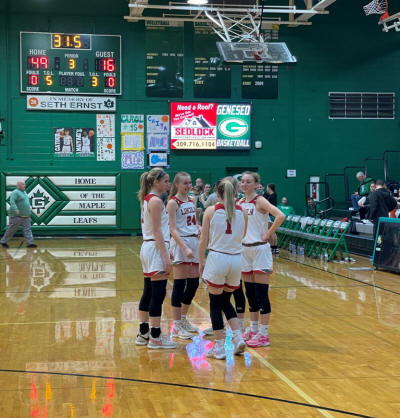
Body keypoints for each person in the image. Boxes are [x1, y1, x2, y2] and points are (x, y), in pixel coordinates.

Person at [199, 178, 248, 359]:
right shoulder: (243, 212)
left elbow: (203, 240)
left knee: (215, 303)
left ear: (217, 193)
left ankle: (219, 347)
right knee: (226, 301)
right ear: (235, 193)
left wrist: (200, 261)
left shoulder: (211, 211)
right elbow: (242, 235)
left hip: (218, 257)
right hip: (236, 259)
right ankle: (237, 336)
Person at [239, 172, 285, 347]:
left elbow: (280, 216)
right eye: (242, 181)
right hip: (244, 250)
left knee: (261, 293)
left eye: (248, 182)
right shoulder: (239, 203)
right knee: (250, 293)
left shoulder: (260, 201)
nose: (244, 184)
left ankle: (264, 334)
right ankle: (253, 329)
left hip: (259, 249)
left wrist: (268, 234)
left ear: (256, 184)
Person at [136, 168, 177, 350]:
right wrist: (166, 257)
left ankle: (143, 333)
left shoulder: (148, 199)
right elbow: (158, 231)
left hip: (149, 247)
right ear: (155, 182)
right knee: (158, 295)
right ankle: (155, 336)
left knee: (148, 292)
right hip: (155, 248)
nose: (168, 184)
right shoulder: (156, 201)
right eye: (166, 181)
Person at [167, 172, 200, 339]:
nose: (188, 186)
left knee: (194, 283)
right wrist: (184, 247)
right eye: (185, 183)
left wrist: (199, 229)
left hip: (194, 241)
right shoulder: (173, 202)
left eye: (190, 182)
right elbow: (172, 229)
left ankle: (183, 318)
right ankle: (176, 325)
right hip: (181, 243)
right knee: (179, 285)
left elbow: (194, 222)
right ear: (177, 184)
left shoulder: (192, 200)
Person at [1, 181, 37, 248]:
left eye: (24, 184)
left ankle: (30, 243)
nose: (25, 185)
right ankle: (3, 241)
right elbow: (12, 201)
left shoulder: (24, 192)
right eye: (23, 184)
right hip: (16, 216)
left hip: (26, 216)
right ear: (18, 185)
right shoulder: (15, 192)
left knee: (27, 229)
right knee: (12, 230)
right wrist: (15, 209)